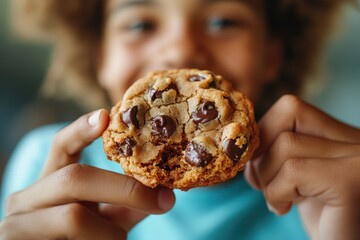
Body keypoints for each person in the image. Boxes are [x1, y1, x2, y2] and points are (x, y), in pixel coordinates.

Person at [1, 0, 360, 239]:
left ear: (272, 55)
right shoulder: (43, 170)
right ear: (100, 58)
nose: (181, 49)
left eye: (222, 21)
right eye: (141, 24)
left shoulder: (333, 191)